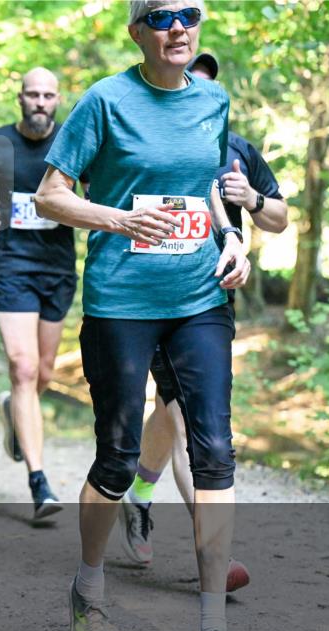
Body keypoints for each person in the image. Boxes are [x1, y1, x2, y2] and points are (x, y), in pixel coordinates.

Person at [35, 2, 253, 631]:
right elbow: (50, 194)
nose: (177, 27)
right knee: (118, 454)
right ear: (137, 31)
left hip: (198, 297)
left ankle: (212, 627)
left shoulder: (213, 101)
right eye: (160, 16)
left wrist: (234, 237)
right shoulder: (105, 100)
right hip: (122, 299)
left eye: (189, 13)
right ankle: (90, 587)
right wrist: (118, 220)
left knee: (214, 446)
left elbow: (209, 188)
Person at [117, 51, 289, 594]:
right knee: (191, 421)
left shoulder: (239, 151)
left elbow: (280, 218)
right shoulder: (143, 143)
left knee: (172, 414)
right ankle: (214, 554)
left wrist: (254, 198)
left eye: (207, 88)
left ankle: (139, 495)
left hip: (212, 306)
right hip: (153, 299)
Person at [0, 67, 77, 520]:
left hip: (57, 266)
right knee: (23, 365)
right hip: (12, 263)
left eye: (48, 95)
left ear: (57, 99)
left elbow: (96, 194)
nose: (40, 102)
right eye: (32, 94)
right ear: (20, 97)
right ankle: (39, 481)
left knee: (43, 373)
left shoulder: (73, 142)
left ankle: (15, 409)